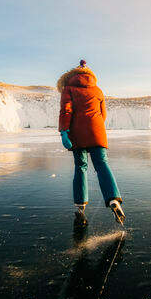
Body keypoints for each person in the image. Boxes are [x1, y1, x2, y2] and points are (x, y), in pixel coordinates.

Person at [57, 59, 125, 227]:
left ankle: (80, 206)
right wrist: (95, 127)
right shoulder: (98, 90)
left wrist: (64, 131)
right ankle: (113, 199)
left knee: (81, 166)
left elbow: (66, 110)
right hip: (97, 132)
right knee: (102, 164)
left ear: (72, 75)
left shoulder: (69, 88)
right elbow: (103, 114)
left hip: (77, 133)